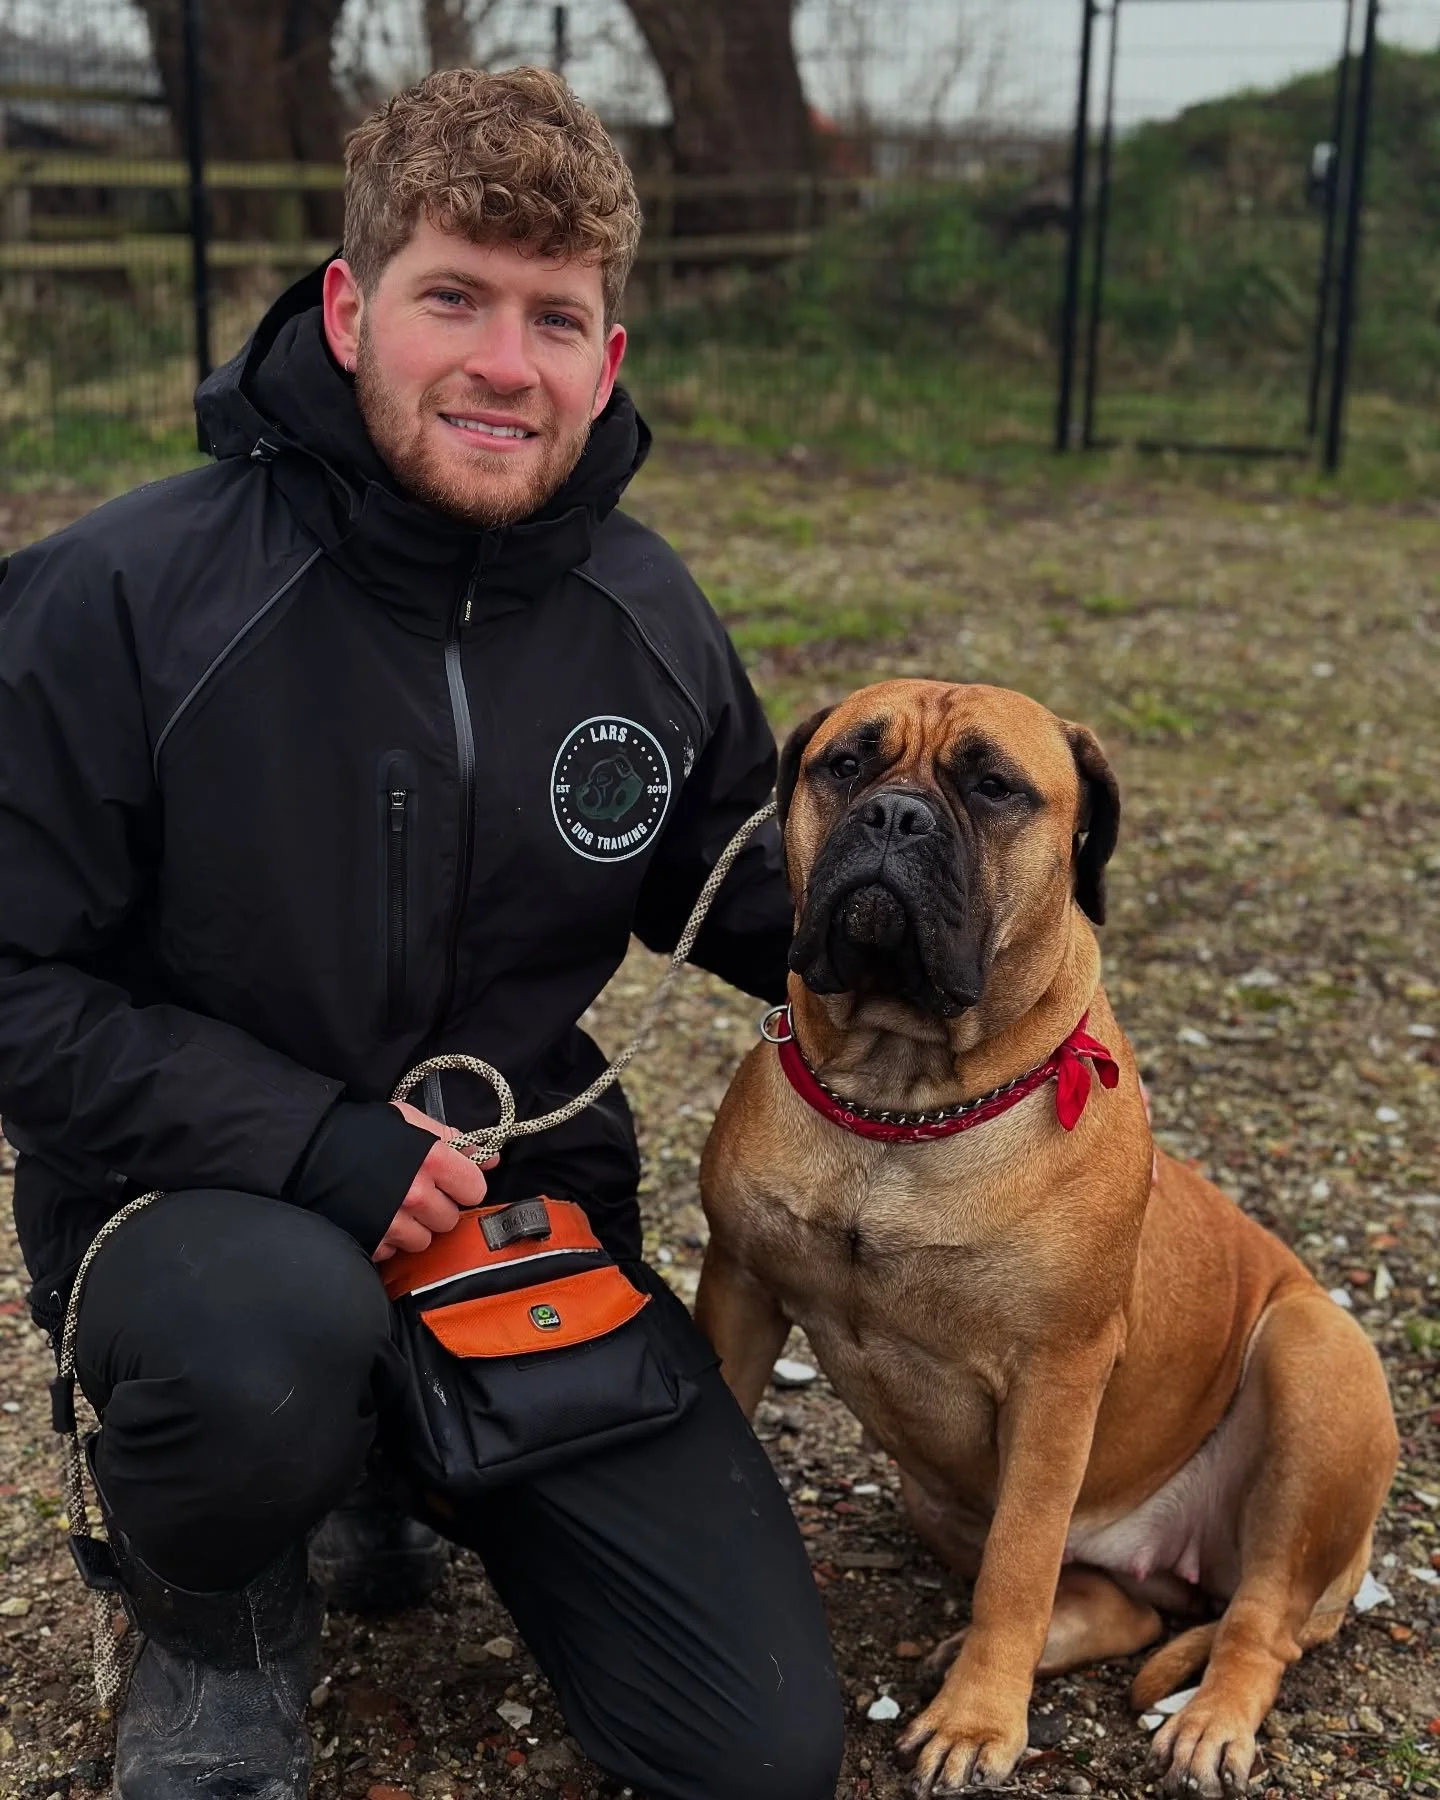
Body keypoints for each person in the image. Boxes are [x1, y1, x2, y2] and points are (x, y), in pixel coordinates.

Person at [0, 67, 843, 1800]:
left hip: (518, 1220)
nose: (503, 363)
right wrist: (315, 1142)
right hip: (205, 1224)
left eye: (556, 317)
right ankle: (213, 1610)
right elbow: (15, 987)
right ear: (348, 306)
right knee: (265, 1343)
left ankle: (402, 1456)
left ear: (608, 357)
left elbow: (738, 896)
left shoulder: (650, 612)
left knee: (751, 1753)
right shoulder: (119, 596)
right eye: (452, 296)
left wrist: (956, 906)